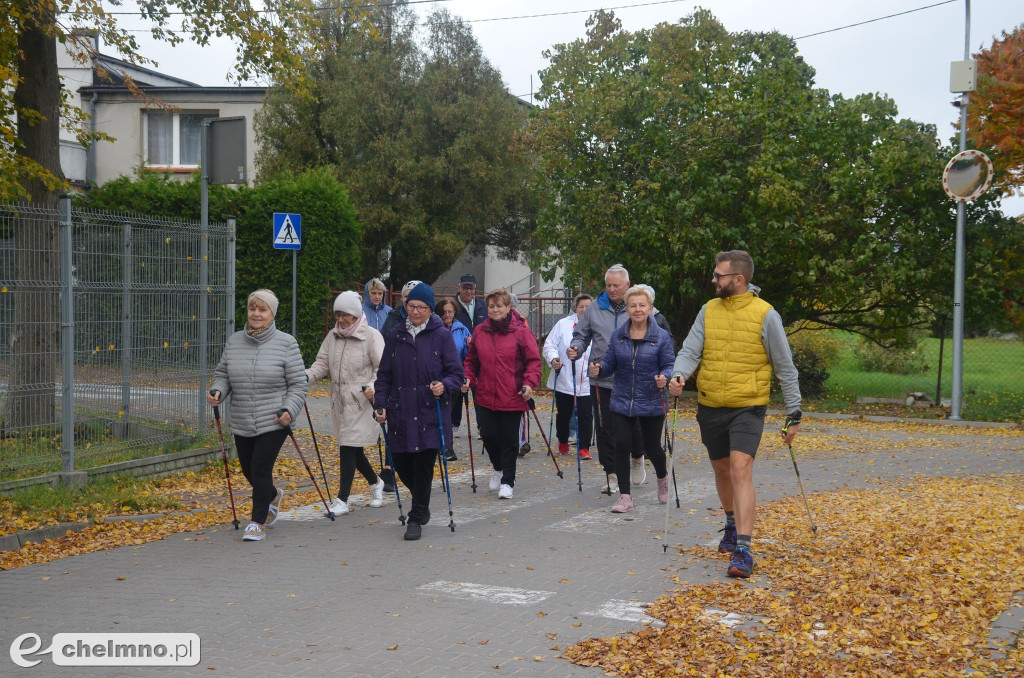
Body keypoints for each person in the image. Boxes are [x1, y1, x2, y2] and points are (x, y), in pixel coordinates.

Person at [668, 250, 801, 579]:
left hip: (748, 406)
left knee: (741, 469)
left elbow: (785, 367)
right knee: (722, 470)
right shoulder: (708, 310)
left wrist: (793, 412)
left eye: (719, 275)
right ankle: (730, 523)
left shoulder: (766, 315)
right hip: (711, 404)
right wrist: (679, 374)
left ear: (738, 279)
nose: (713, 279)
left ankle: (743, 549)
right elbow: (690, 350)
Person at [208, 289, 307, 542]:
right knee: (248, 470)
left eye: (263, 310)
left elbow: (298, 384)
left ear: (272, 314)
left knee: (260, 468)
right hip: (242, 419)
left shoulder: (286, 343)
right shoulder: (234, 342)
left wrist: (289, 409)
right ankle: (272, 495)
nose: (256, 314)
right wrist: (218, 390)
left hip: (274, 419)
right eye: (253, 308)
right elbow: (223, 375)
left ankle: (256, 523)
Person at [374, 283, 464, 541]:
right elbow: (384, 376)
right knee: (402, 464)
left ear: (430, 310)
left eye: (421, 307)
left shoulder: (441, 335)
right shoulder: (396, 335)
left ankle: (416, 517)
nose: (415, 311)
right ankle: (422, 503)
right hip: (401, 411)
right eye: (411, 306)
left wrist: (443, 386)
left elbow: (456, 374)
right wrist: (380, 404)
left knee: (423, 466)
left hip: (429, 412)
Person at [589, 286, 674, 511]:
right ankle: (625, 496)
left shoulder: (661, 336)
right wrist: (599, 369)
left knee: (652, 447)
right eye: (633, 305)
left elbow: (669, 364)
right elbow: (609, 363)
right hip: (622, 398)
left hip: (651, 398)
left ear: (650, 308)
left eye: (642, 305)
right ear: (626, 309)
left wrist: (664, 377)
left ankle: (662, 478)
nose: (637, 309)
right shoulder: (618, 335)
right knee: (621, 444)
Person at [306, 290, 386, 516]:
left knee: (348, 448)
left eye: (345, 315)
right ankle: (376, 482)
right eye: (338, 314)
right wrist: (306, 377)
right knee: (353, 449)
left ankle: (342, 499)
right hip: (339, 401)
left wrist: (373, 387)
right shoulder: (333, 336)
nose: (341, 319)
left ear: (356, 315)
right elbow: (321, 364)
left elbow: (383, 369)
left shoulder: (371, 336)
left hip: (362, 401)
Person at [462, 288, 542, 500]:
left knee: (509, 440)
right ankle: (498, 468)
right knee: (488, 436)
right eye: (491, 306)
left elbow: (533, 362)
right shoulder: (480, 331)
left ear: (508, 308)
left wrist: (529, 384)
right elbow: (472, 360)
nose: (495, 309)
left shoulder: (521, 332)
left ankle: (508, 480)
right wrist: (468, 377)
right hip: (485, 394)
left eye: (499, 306)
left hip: (512, 395)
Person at [567, 264, 636, 491]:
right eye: (608, 285)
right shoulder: (594, 308)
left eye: (616, 285)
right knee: (606, 428)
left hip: (632, 378)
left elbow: (656, 333)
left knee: (635, 428)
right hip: (602, 378)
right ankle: (612, 473)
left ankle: (637, 454)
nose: (612, 289)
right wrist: (576, 348)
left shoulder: (637, 305)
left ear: (627, 285)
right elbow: (581, 335)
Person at [543, 294, 594, 459]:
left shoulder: (598, 325)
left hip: (587, 381)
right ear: (575, 308)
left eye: (588, 307)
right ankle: (563, 440)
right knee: (564, 414)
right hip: (564, 377)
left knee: (586, 415)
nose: (584, 310)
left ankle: (584, 447)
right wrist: (553, 359)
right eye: (581, 306)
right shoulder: (563, 324)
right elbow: (549, 345)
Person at [436, 297, 471, 460]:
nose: (447, 315)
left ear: (455, 312)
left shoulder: (462, 329)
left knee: (448, 412)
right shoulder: (434, 328)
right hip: (436, 377)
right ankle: (442, 446)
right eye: (444, 312)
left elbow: (468, 356)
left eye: (450, 311)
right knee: (440, 412)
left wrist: (470, 346)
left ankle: (446, 446)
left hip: (454, 376)